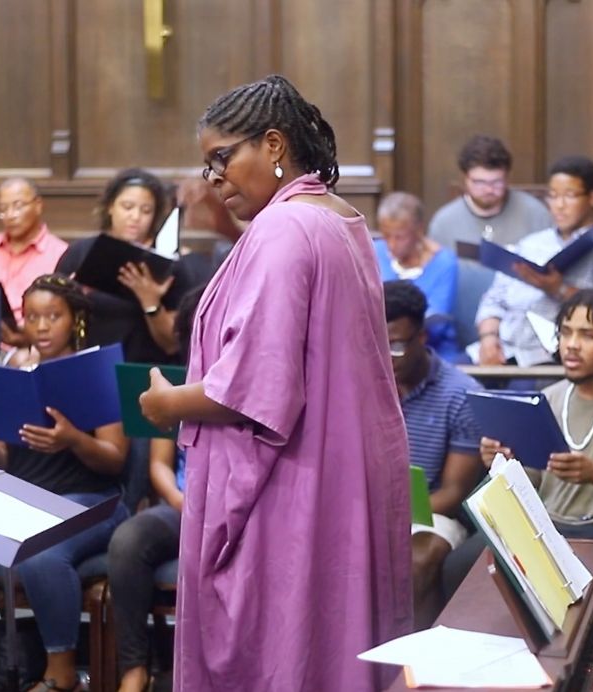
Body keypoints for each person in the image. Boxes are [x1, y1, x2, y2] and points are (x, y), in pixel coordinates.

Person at [138, 74, 412, 692]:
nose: (215, 178)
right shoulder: (338, 218)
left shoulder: (285, 230)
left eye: (222, 158)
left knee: (282, 651)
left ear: (272, 144)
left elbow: (256, 389)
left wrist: (166, 404)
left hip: (293, 479)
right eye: (207, 165)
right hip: (340, 468)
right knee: (330, 644)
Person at [0, 274, 129, 692]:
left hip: (92, 500)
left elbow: (115, 457)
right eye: (32, 317)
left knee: (41, 554)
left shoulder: (95, 370)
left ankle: (60, 673)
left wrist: (73, 440)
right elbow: (6, 459)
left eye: (53, 316)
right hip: (25, 498)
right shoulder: (10, 371)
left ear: (75, 320)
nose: (42, 326)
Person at [445, 289, 593, 595]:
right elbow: (532, 483)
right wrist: (501, 463)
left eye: (588, 335)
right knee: (458, 564)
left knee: (570, 575)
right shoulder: (547, 399)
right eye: (565, 333)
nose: (571, 345)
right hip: (544, 528)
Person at [107, 286, 204, 692]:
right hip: (184, 505)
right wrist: (181, 500)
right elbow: (160, 466)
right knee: (129, 539)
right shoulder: (175, 385)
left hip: (242, 514)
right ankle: (134, 667)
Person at [473, 156, 593, 367]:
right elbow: (494, 299)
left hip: (552, 358)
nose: (559, 205)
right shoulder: (531, 243)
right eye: (552, 196)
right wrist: (488, 339)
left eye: (569, 196)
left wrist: (559, 289)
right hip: (501, 349)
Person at [383, 280, 482, 628]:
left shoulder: (461, 395)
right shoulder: (365, 384)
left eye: (395, 345)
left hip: (432, 514)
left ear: (422, 337)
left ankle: (411, 670)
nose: (386, 355)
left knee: (416, 558)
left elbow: (453, 494)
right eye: (377, 343)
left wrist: (392, 517)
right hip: (370, 507)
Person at [55, 169, 193, 364]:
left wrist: (150, 302)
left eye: (146, 211)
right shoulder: (81, 251)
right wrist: (76, 297)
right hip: (90, 364)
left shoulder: (167, 265)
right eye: (127, 207)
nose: (135, 217)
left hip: (145, 369)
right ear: (110, 207)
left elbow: (172, 343)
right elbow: (55, 310)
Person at [0, 178, 68, 349]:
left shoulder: (60, 253)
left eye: (18, 206)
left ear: (38, 205)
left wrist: (26, 336)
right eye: (3, 209)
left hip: (38, 347)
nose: (10, 215)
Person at [427, 135, 553, 250]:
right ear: (465, 179)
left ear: (508, 178)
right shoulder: (444, 222)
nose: (488, 190)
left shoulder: (535, 213)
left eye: (496, 182)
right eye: (479, 182)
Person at [374, 193, 460, 360]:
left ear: (418, 230)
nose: (391, 244)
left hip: (434, 352)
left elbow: (437, 324)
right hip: (380, 352)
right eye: (386, 236)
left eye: (400, 237)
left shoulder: (444, 262)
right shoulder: (373, 251)